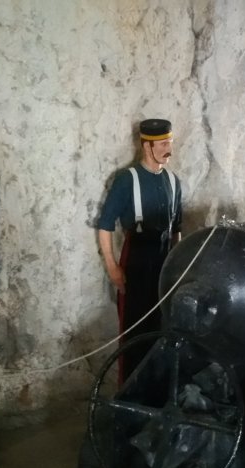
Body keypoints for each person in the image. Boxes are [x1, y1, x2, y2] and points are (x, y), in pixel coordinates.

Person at [96, 118, 184, 384]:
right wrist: (112, 267)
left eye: (170, 143)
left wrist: (177, 266)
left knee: (162, 326)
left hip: (164, 257)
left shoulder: (173, 181)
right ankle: (129, 391)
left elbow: (177, 229)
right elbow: (105, 225)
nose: (169, 149)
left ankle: (155, 391)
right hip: (137, 257)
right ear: (147, 146)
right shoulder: (127, 179)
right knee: (134, 330)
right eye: (163, 144)